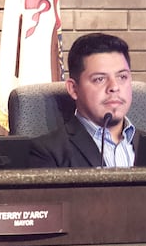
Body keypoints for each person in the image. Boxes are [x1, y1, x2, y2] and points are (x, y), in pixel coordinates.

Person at [29, 32, 138, 168]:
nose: (114, 87)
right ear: (73, 89)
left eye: (122, 77)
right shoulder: (48, 153)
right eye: (99, 79)